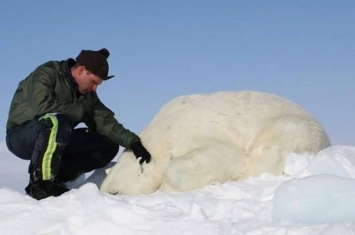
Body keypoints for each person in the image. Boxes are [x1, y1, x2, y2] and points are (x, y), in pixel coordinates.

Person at [5, 48, 151, 200]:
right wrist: (80, 112)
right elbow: (41, 107)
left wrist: (134, 142)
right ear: (81, 70)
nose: (95, 88)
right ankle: (41, 185)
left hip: (57, 135)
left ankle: (60, 179)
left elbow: (106, 122)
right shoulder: (48, 73)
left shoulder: (88, 96)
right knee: (56, 121)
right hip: (22, 135)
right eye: (94, 82)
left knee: (108, 143)